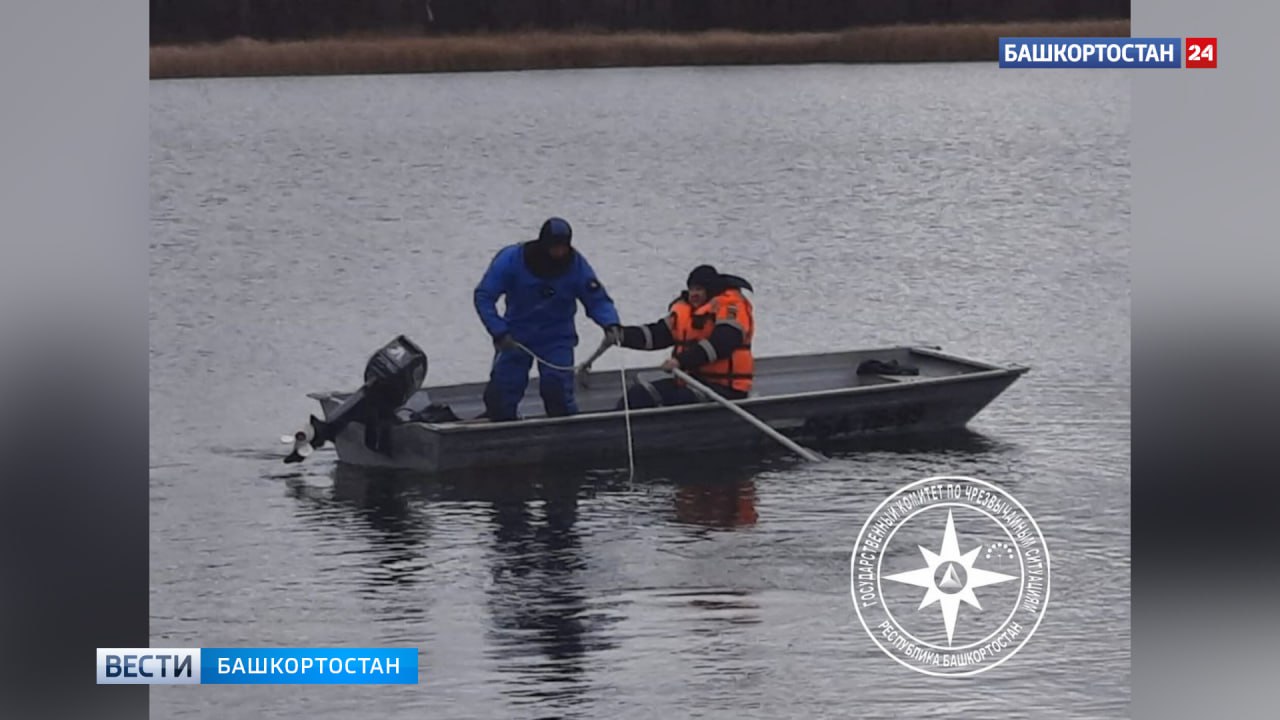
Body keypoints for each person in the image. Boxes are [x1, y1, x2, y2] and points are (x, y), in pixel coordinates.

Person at [474, 217, 623, 421]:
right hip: (515, 336)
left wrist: (610, 323)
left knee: (557, 389)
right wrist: (498, 331)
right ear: (544, 244)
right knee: (502, 392)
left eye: (564, 247)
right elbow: (484, 296)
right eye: (555, 247)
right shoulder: (511, 260)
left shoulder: (576, 265)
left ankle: (564, 435)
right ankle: (500, 428)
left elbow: (597, 300)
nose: (560, 252)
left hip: (556, 337)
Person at [613, 264, 755, 409]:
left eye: (699, 289)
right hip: (692, 382)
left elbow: (723, 342)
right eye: (691, 289)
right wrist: (621, 335)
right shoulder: (686, 311)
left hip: (725, 390)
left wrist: (680, 361)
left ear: (711, 290)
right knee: (637, 395)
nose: (693, 294)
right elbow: (657, 335)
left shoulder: (731, 306)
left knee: (678, 399)